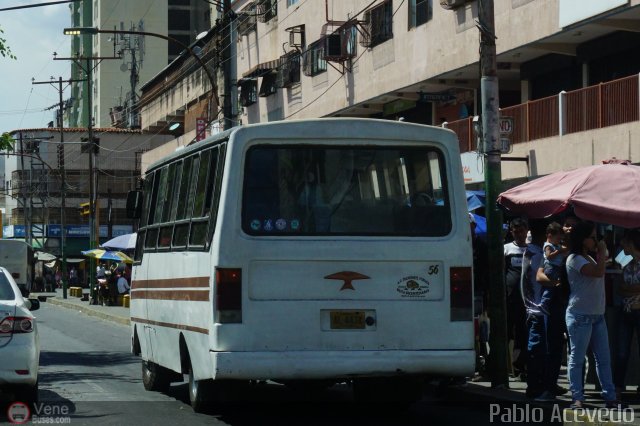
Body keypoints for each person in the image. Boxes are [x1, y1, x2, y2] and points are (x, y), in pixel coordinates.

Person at [565, 221, 620, 409]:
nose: (596, 240)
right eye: (593, 237)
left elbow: (602, 266)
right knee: (577, 358)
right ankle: (577, 396)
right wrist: (603, 251)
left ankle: (610, 396)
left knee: (604, 359)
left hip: (597, 315)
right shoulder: (574, 259)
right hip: (580, 315)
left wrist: (606, 254)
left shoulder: (589, 257)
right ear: (583, 239)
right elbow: (598, 273)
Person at [613, 228, 640, 398]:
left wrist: (628, 289)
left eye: (626, 242)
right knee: (622, 350)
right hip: (626, 309)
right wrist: (633, 290)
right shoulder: (624, 258)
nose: (622, 245)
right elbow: (619, 285)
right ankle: (618, 385)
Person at [504, 217, 529, 378]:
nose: (519, 234)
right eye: (516, 231)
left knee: (523, 333)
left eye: (522, 231)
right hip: (509, 298)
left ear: (527, 231)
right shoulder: (506, 249)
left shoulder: (532, 249)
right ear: (511, 232)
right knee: (507, 331)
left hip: (527, 300)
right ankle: (503, 366)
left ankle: (520, 367)